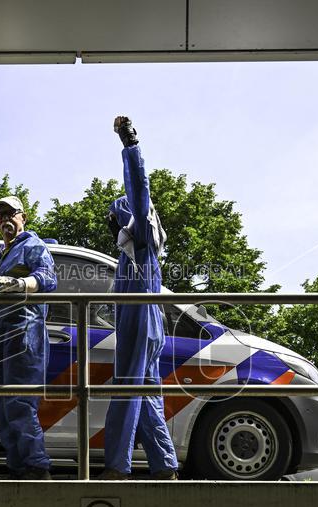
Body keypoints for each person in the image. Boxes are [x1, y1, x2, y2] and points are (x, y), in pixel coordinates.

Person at [99, 117, 179, 481]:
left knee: (128, 388)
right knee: (146, 394)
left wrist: (130, 145)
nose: (111, 223)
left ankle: (116, 467)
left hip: (141, 321)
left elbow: (139, 194)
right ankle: (165, 466)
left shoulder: (141, 247)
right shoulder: (128, 257)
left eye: (115, 216)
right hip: (145, 324)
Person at [0, 195, 58, 480]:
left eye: (10, 214)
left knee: (19, 402)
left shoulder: (32, 245)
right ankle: (17, 467)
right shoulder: (2, 253)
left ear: (23, 217)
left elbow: (48, 279)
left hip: (23, 335)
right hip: (3, 336)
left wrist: (21, 284)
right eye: (0, 215)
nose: (5, 219)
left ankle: (36, 467)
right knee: (5, 406)